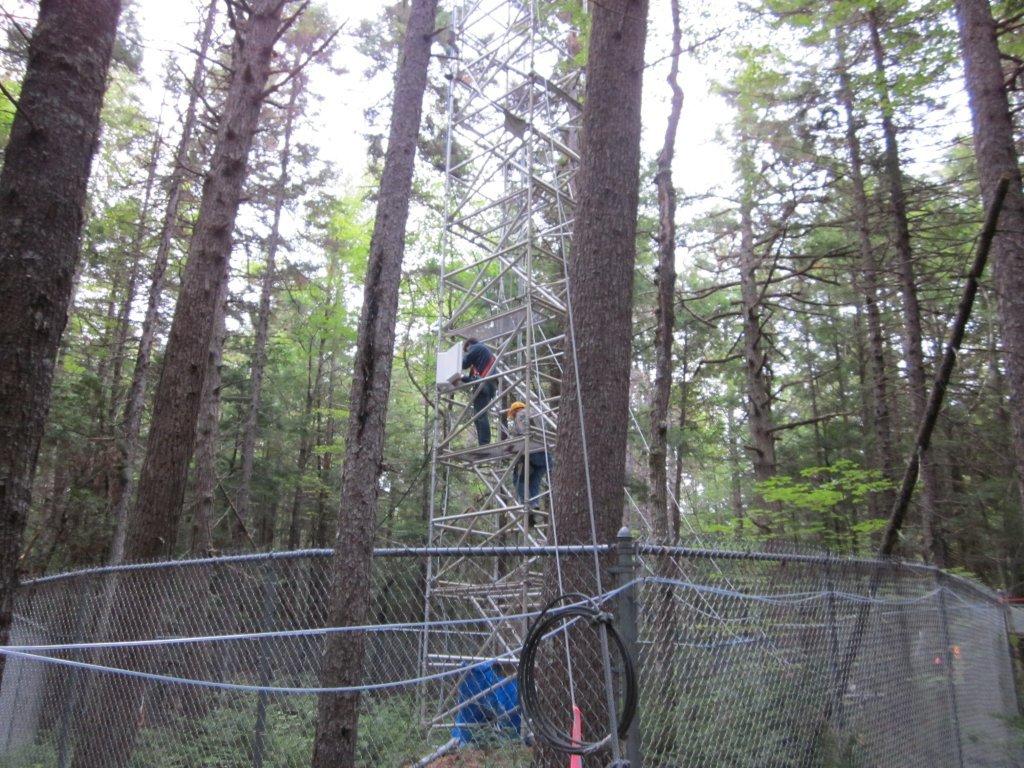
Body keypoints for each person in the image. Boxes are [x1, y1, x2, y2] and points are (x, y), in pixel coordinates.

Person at [507, 401, 552, 527]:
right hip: (545, 455)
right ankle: (535, 504)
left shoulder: (521, 414)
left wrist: (514, 444)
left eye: (513, 413)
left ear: (515, 410)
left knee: (519, 479)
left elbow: (524, 432)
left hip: (533, 451)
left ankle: (527, 507)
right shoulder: (537, 413)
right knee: (534, 481)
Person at [461, 337, 496, 445]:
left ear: (469, 345)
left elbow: (464, 363)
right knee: (478, 415)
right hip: (488, 385)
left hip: (483, 385)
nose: (468, 352)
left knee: (480, 415)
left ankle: (484, 443)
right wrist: (462, 377)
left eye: (467, 350)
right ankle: (483, 442)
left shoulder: (476, 347)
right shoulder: (484, 354)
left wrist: (453, 360)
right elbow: (473, 379)